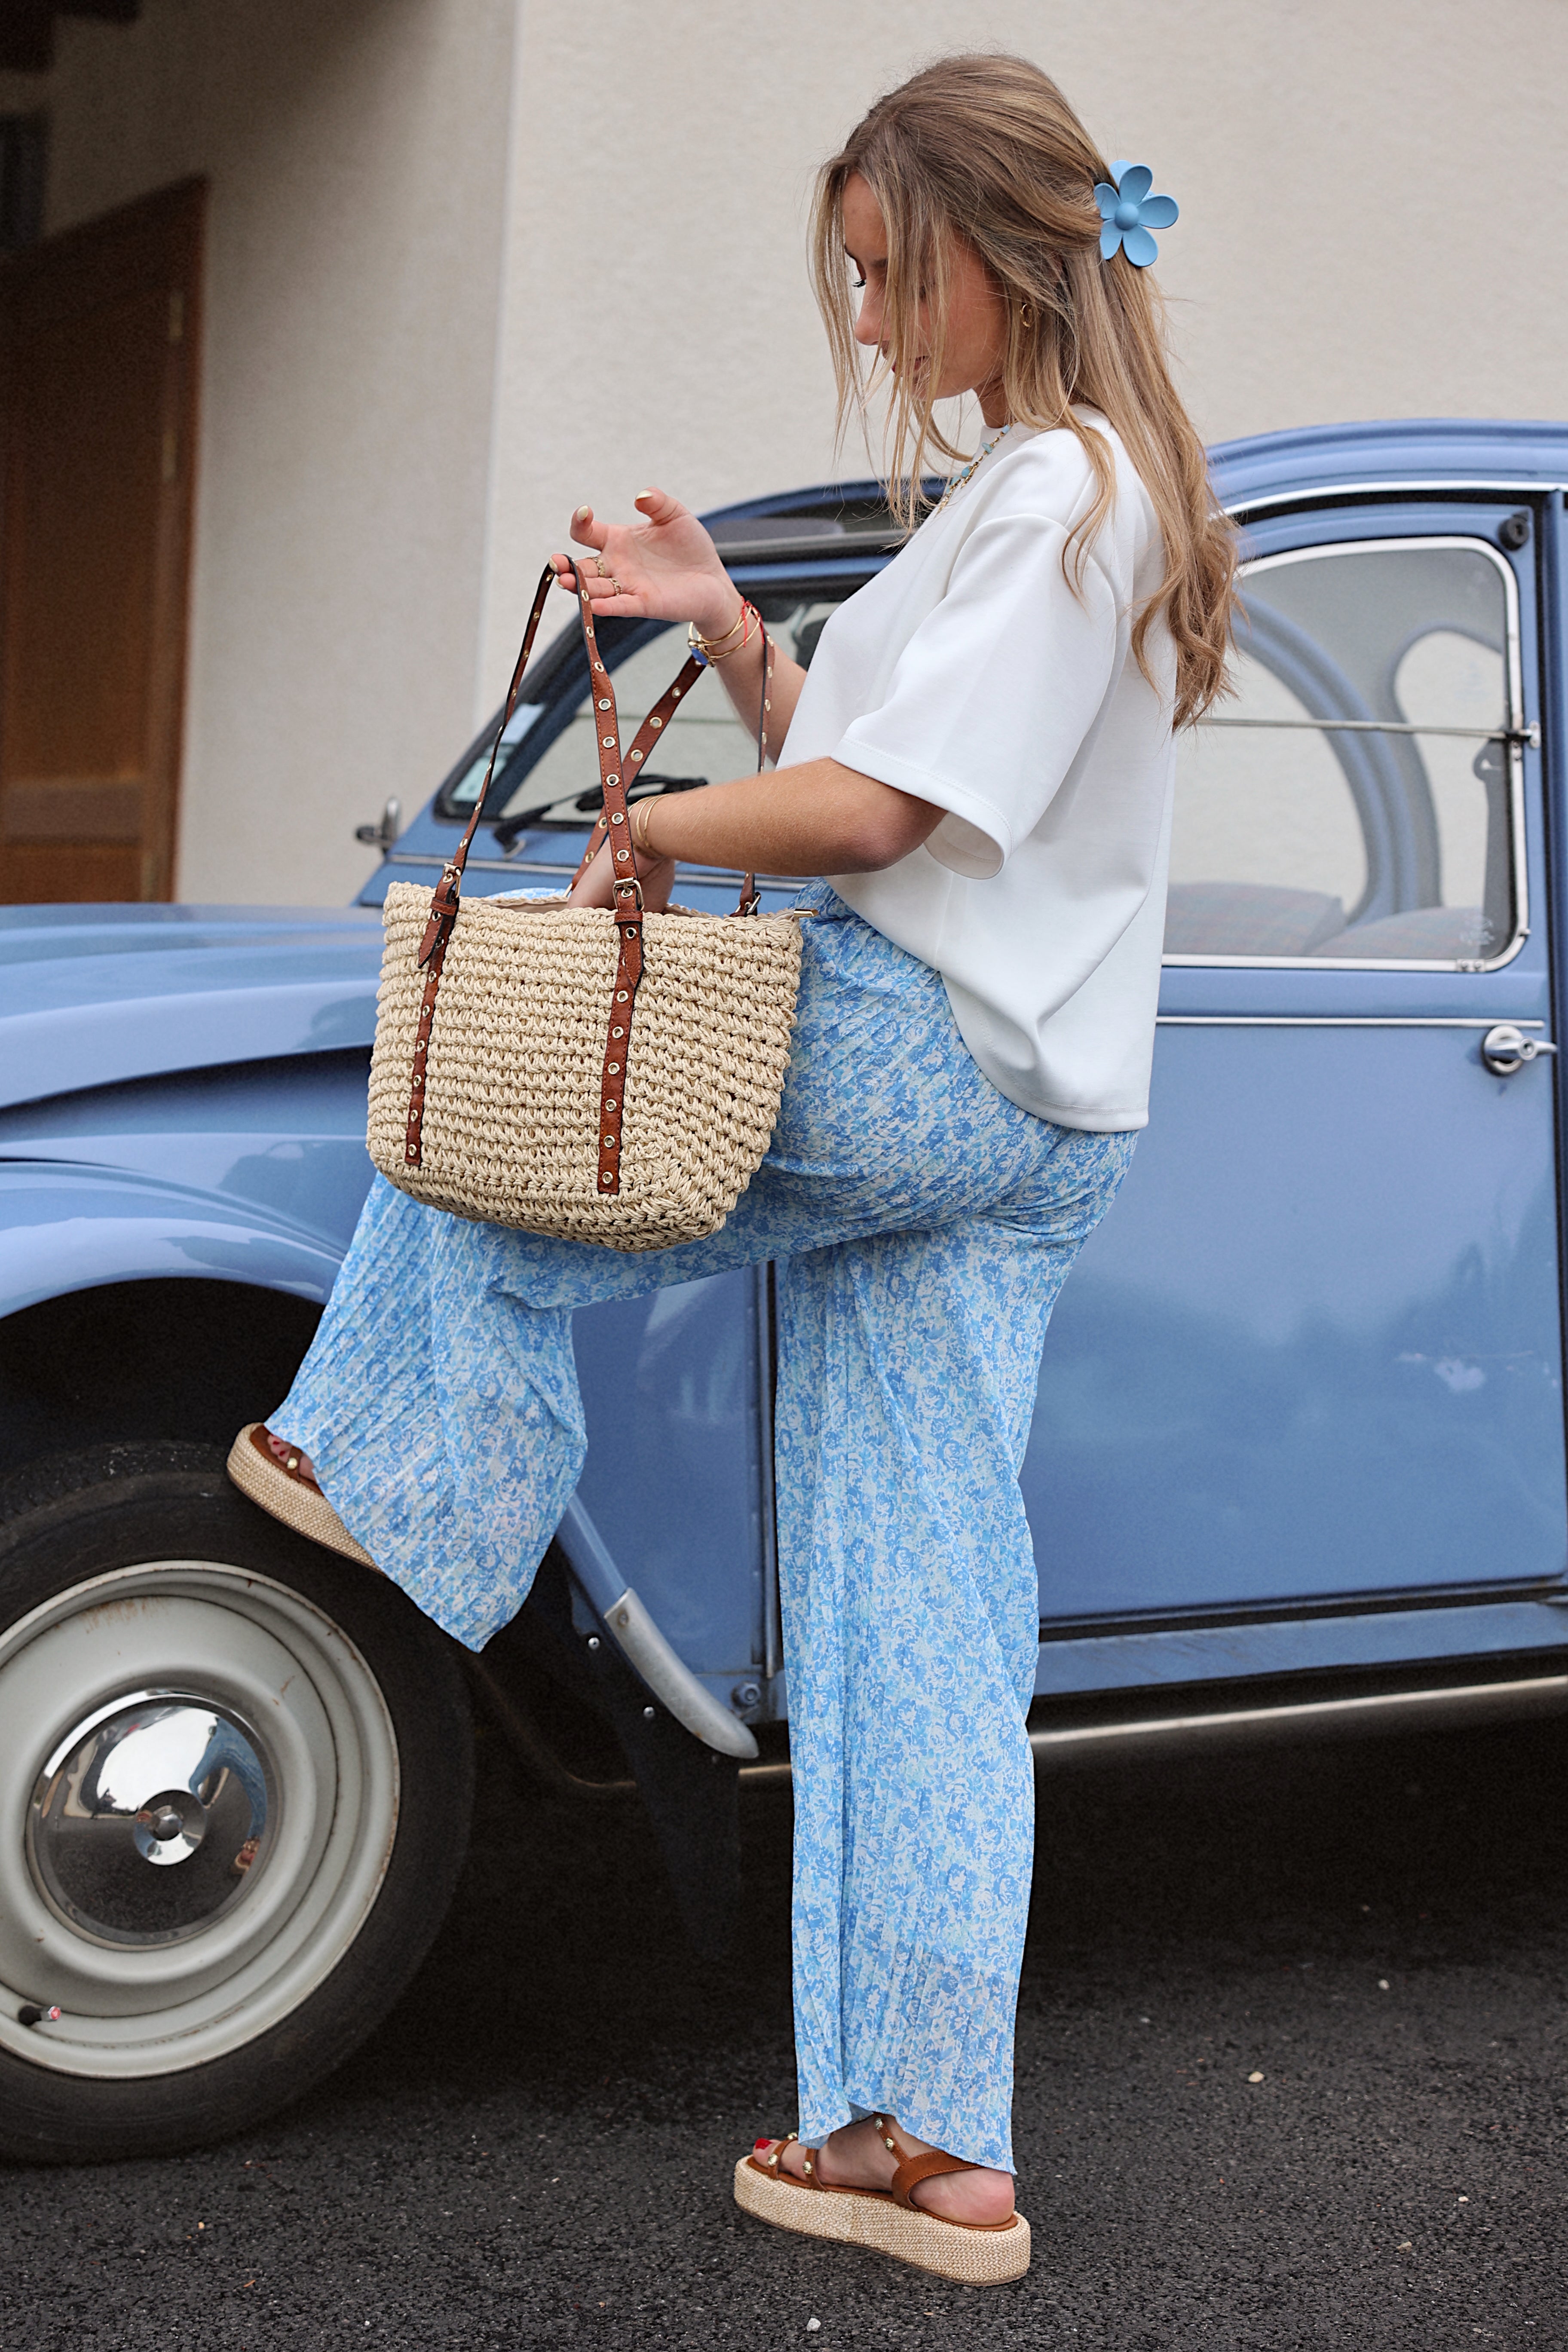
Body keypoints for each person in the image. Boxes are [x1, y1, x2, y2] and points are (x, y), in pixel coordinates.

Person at [230, 51, 1234, 2289]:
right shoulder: (1063, 498)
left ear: (1002, 259)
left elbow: (874, 826)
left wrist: (646, 829)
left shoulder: (1059, 495)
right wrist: (727, 627)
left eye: (888, 276)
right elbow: (882, 767)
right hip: (1031, 1116)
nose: (866, 320)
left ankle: (406, 1473)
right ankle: (924, 2147)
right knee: (917, 1615)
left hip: (931, 1067)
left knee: (497, 1110)